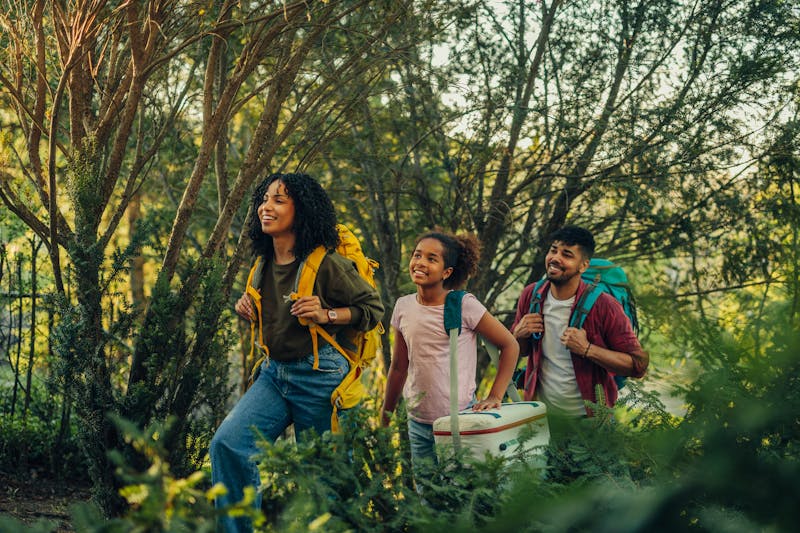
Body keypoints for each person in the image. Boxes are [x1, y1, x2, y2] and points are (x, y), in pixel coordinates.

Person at [210, 173, 384, 533]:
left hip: (321, 379)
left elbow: (373, 310)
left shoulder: (328, 264)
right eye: (265, 199)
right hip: (274, 376)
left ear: (300, 211)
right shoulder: (262, 265)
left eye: (279, 200)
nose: (266, 207)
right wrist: (248, 308)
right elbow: (272, 319)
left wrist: (327, 314)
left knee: (325, 482)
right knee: (229, 445)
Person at [380, 230, 519, 475]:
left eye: (432, 259)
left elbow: (510, 345)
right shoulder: (403, 306)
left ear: (447, 272)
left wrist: (495, 396)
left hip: (459, 420)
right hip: (418, 423)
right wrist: (386, 416)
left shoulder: (464, 305)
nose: (421, 262)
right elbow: (399, 366)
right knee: (428, 496)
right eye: (417, 255)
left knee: (462, 492)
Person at [510, 225, 648, 424]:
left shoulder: (604, 306)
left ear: (583, 266)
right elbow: (521, 351)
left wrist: (587, 349)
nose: (555, 258)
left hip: (590, 422)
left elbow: (638, 365)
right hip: (541, 418)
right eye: (553, 250)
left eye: (566, 254)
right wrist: (518, 334)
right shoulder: (532, 295)